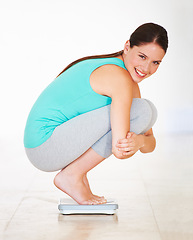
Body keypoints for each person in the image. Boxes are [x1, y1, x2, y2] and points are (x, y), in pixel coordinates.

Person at [24, 22, 168, 205]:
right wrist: (132, 143)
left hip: (48, 144)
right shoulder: (118, 77)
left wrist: (139, 141)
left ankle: (76, 174)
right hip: (44, 147)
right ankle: (72, 175)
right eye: (142, 56)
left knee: (146, 109)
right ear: (127, 47)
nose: (146, 68)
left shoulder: (127, 80)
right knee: (143, 110)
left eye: (155, 62)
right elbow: (120, 149)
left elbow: (149, 145)